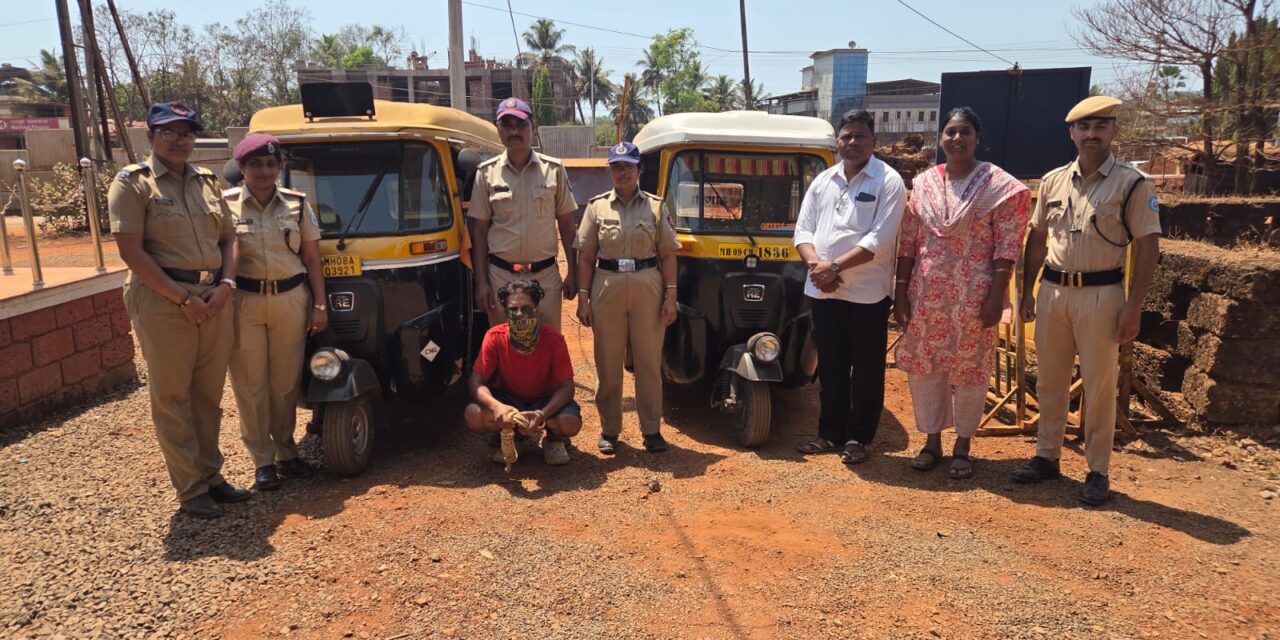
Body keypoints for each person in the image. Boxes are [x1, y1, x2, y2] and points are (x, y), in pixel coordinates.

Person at [1012, 96, 1162, 505]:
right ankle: (1047, 456)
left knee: (1099, 385)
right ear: (1071, 133)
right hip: (1055, 291)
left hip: (1103, 292)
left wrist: (1134, 306)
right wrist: (1027, 291)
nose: (1091, 134)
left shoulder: (1132, 183)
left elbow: (1148, 246)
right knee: (1049, 380)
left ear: (1114, 131)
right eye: (1084, 127)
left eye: (1100, 126)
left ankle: (1097, 469)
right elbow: (1038, 238)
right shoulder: (1054, 180)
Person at [108, 102, 250, 519]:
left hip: (212, 293)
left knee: (207, 396)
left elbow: (229, 239)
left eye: (186, 132)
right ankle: (191, 489)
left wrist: (226, 284)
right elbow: (131, 251)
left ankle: (212, 475)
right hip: (163, 299)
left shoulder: (206, 181)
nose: (179, 139)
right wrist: (180, 298)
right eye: (169, 131)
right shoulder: (133, 184)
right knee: (173, 396)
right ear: (150, 137)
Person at [894, 107, 1031, 479]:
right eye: (950, 132)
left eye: (965, 131)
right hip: (927, 294)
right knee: (926, 369)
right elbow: (909, 241)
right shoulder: (923, 183)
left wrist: (995, 298)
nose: (957, 138)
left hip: (975, 297)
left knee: (970, 371)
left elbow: (1007, 247)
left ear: (977, 138)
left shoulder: (999, 186)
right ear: (941, 137)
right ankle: (931, 441)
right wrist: (901, 291)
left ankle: (964, 446)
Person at [793, 109, 907, 464]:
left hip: (867, 295)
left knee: (867, 369)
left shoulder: (889, 181)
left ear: (874, 141)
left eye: (860, 136)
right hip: (824, 291)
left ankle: (859, 438)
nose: (852, 142)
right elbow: (803, 230)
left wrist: (834, 266)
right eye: (846, 136)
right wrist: (817, 268)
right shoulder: (823, 180)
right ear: (837, 141)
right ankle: (829, 434)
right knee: (831, 367)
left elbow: (880, 239)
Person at [224, 133, 328, 491]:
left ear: (280, 168)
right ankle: (262, 461)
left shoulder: (298, 205)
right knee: (250, 385)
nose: (264, 171)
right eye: (256, 164)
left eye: (270, 164)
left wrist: (319, 305)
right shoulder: (226, 206)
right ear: (242, 168)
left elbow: (313, 259)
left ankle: (287, 452)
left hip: (290, 299)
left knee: (285, 383)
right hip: (245, 303)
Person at [574, 141, 680, 454]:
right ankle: (610, 429)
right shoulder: (596, 207)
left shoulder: (656, 206)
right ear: (610, 170)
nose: (622, 172)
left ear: (638, 170)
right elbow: (584, 257)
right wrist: (583, 298)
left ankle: (651, 429)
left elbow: (669, 255)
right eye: (616, 166)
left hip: (648, 283)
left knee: (648, 362)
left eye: (628, 166)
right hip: (607, 284)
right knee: (607, 362)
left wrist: (670, 297)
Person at [468, 97, 579, 330]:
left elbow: (568, 225)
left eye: (520, 124)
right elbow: (478, 232)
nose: (514, 131)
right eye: (507, 125)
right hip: (501, 276)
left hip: (545, 276)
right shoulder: (486, 174)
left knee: (547, 342)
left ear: (533, 127)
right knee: (506, 346)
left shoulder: (554, 171)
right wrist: (481, 283)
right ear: (498, 130)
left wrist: (574, 271)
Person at [464, 279, 582, 466]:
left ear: (536, 308)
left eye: (526, 308)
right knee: (473, 414)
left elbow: (566, 386)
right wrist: (497, 407)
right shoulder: (494, 337)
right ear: (505, 311)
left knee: (570, 422)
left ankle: (554, 438)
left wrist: (542, 414)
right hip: (509, 400)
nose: (519, 314)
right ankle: (515, 434)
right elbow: (476, 382)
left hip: (545, 400)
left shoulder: (553, 339)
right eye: (513, 309)